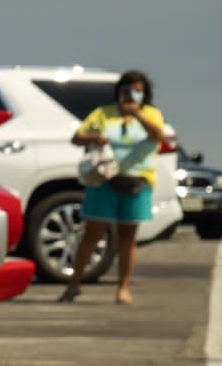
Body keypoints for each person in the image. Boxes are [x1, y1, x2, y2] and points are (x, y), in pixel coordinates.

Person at [63, 69, 166, 304]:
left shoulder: (152, 114)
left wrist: (137, 115)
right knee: (92, 233)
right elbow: (77, 137)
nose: (131, 95)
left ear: (145, 94)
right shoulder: (103, 114)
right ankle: (74, 284)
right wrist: (94, 138)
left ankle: (123, 288)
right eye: (126, 90)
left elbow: (158, 135)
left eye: (137, 91)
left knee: (127, 237)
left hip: (138, 180)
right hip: (105, 180)